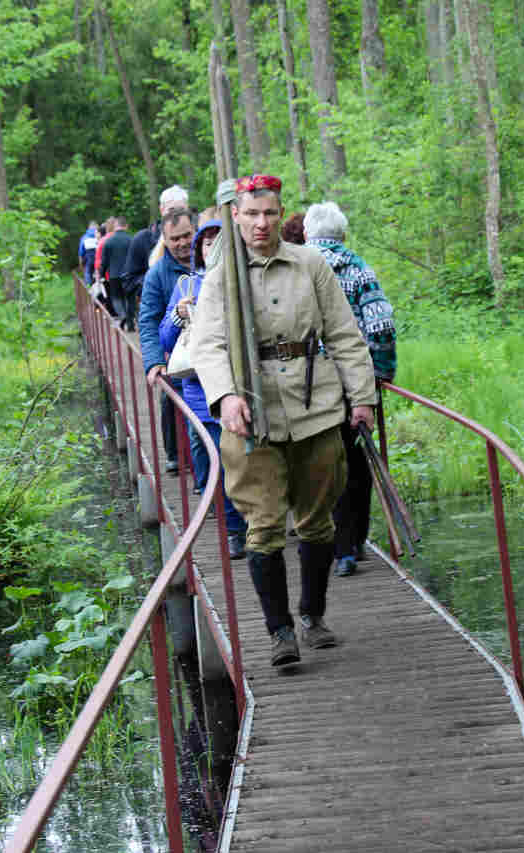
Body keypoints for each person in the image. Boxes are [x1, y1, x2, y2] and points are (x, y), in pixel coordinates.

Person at [190, 175, 378, 667]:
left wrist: (362, 398)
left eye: (270, 213)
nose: (261, 223)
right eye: (251, 214)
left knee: (318, 523)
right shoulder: (222, 276)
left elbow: (344, 334)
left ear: (280, 213)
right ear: (236, 215)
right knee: (264, 526)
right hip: (253, 417)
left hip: (315, 409)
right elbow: (205, 344)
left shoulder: (311, 264)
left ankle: (313, 616)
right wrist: (225, 397)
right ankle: (280, 632)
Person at [304, 201, 398, 577]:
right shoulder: (359, 268)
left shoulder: (298, 267)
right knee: (358, 458)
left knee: (324, 461)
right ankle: (355, 541)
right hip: (357, 380)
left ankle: (338, 548)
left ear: (309, 233)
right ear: (342, 234)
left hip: (311, 381)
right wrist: (383, 373)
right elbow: (381, 323)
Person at [157, 216, 249, 559]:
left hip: (245, 387)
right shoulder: (186, 286)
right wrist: (179, 316)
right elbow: (166, 338)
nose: (213, 248)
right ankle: (234, 531)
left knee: (251, 461)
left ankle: (257, 520)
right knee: (220, 463)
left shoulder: (244, 281)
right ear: (199, 250)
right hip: (202, 392)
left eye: (219, 240)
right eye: (207, 242)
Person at [141, 208, 197, 474]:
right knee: (171, 399)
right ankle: (174, 454)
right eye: (175, 239)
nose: (183, 243)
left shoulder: (211, 258)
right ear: (165, 240)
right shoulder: (157, 274)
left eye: (187, 235)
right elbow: (148, 320)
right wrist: (153, 361)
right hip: (179, 353)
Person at [124, 185, 190, 335]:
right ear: (162, 210)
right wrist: (154, 285)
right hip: (159, 318)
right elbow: (128, 281)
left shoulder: (199, 238)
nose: (176, 216)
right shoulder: (143, 239)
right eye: (172, 210)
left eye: (181, 211)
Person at [98, 217, 133, 326]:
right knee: (128, 297)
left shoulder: (108, 242)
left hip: (113, 275)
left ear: (115, 227)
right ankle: (129, 321)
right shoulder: (131, 240)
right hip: (128, 274)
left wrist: (101, 275)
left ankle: (122, 316)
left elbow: (104, 261)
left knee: (116, 298)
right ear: (126, 226)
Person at [78, 220, 99, 286]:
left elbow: (81, 252)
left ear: (89, 227)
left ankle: (89, 287)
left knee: (88, 273)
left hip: (88, 260)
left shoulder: (84, 237)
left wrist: (81, 263)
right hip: (98, 260)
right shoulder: (99, 235)